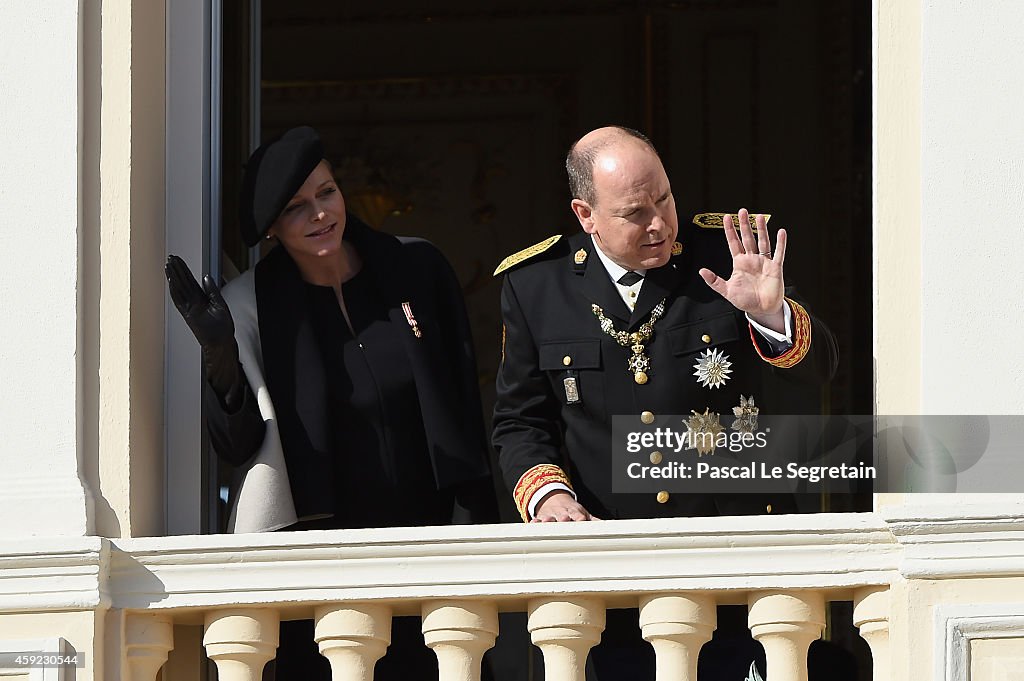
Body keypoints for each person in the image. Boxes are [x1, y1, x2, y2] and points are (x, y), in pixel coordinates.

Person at [491, 126, 843, 680]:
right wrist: (549, 497)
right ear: (587, 216)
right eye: (634, 212)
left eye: (665, 199)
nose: (658, 223)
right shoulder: (536, 287)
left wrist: (770, 316)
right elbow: (519, 422)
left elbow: (820, 370)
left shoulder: (727, 255)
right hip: (612, 587)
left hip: (738, 570)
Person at [165, 126, 498, 680]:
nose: (320, 214)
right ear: (271, 228)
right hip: (319, 572)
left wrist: (477, 533)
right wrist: (221, 355)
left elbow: (464, 408)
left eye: (327, 193)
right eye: (296, 208)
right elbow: (237, 446)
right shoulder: (252, 307)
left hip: (433, 552)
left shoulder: (418, 268)